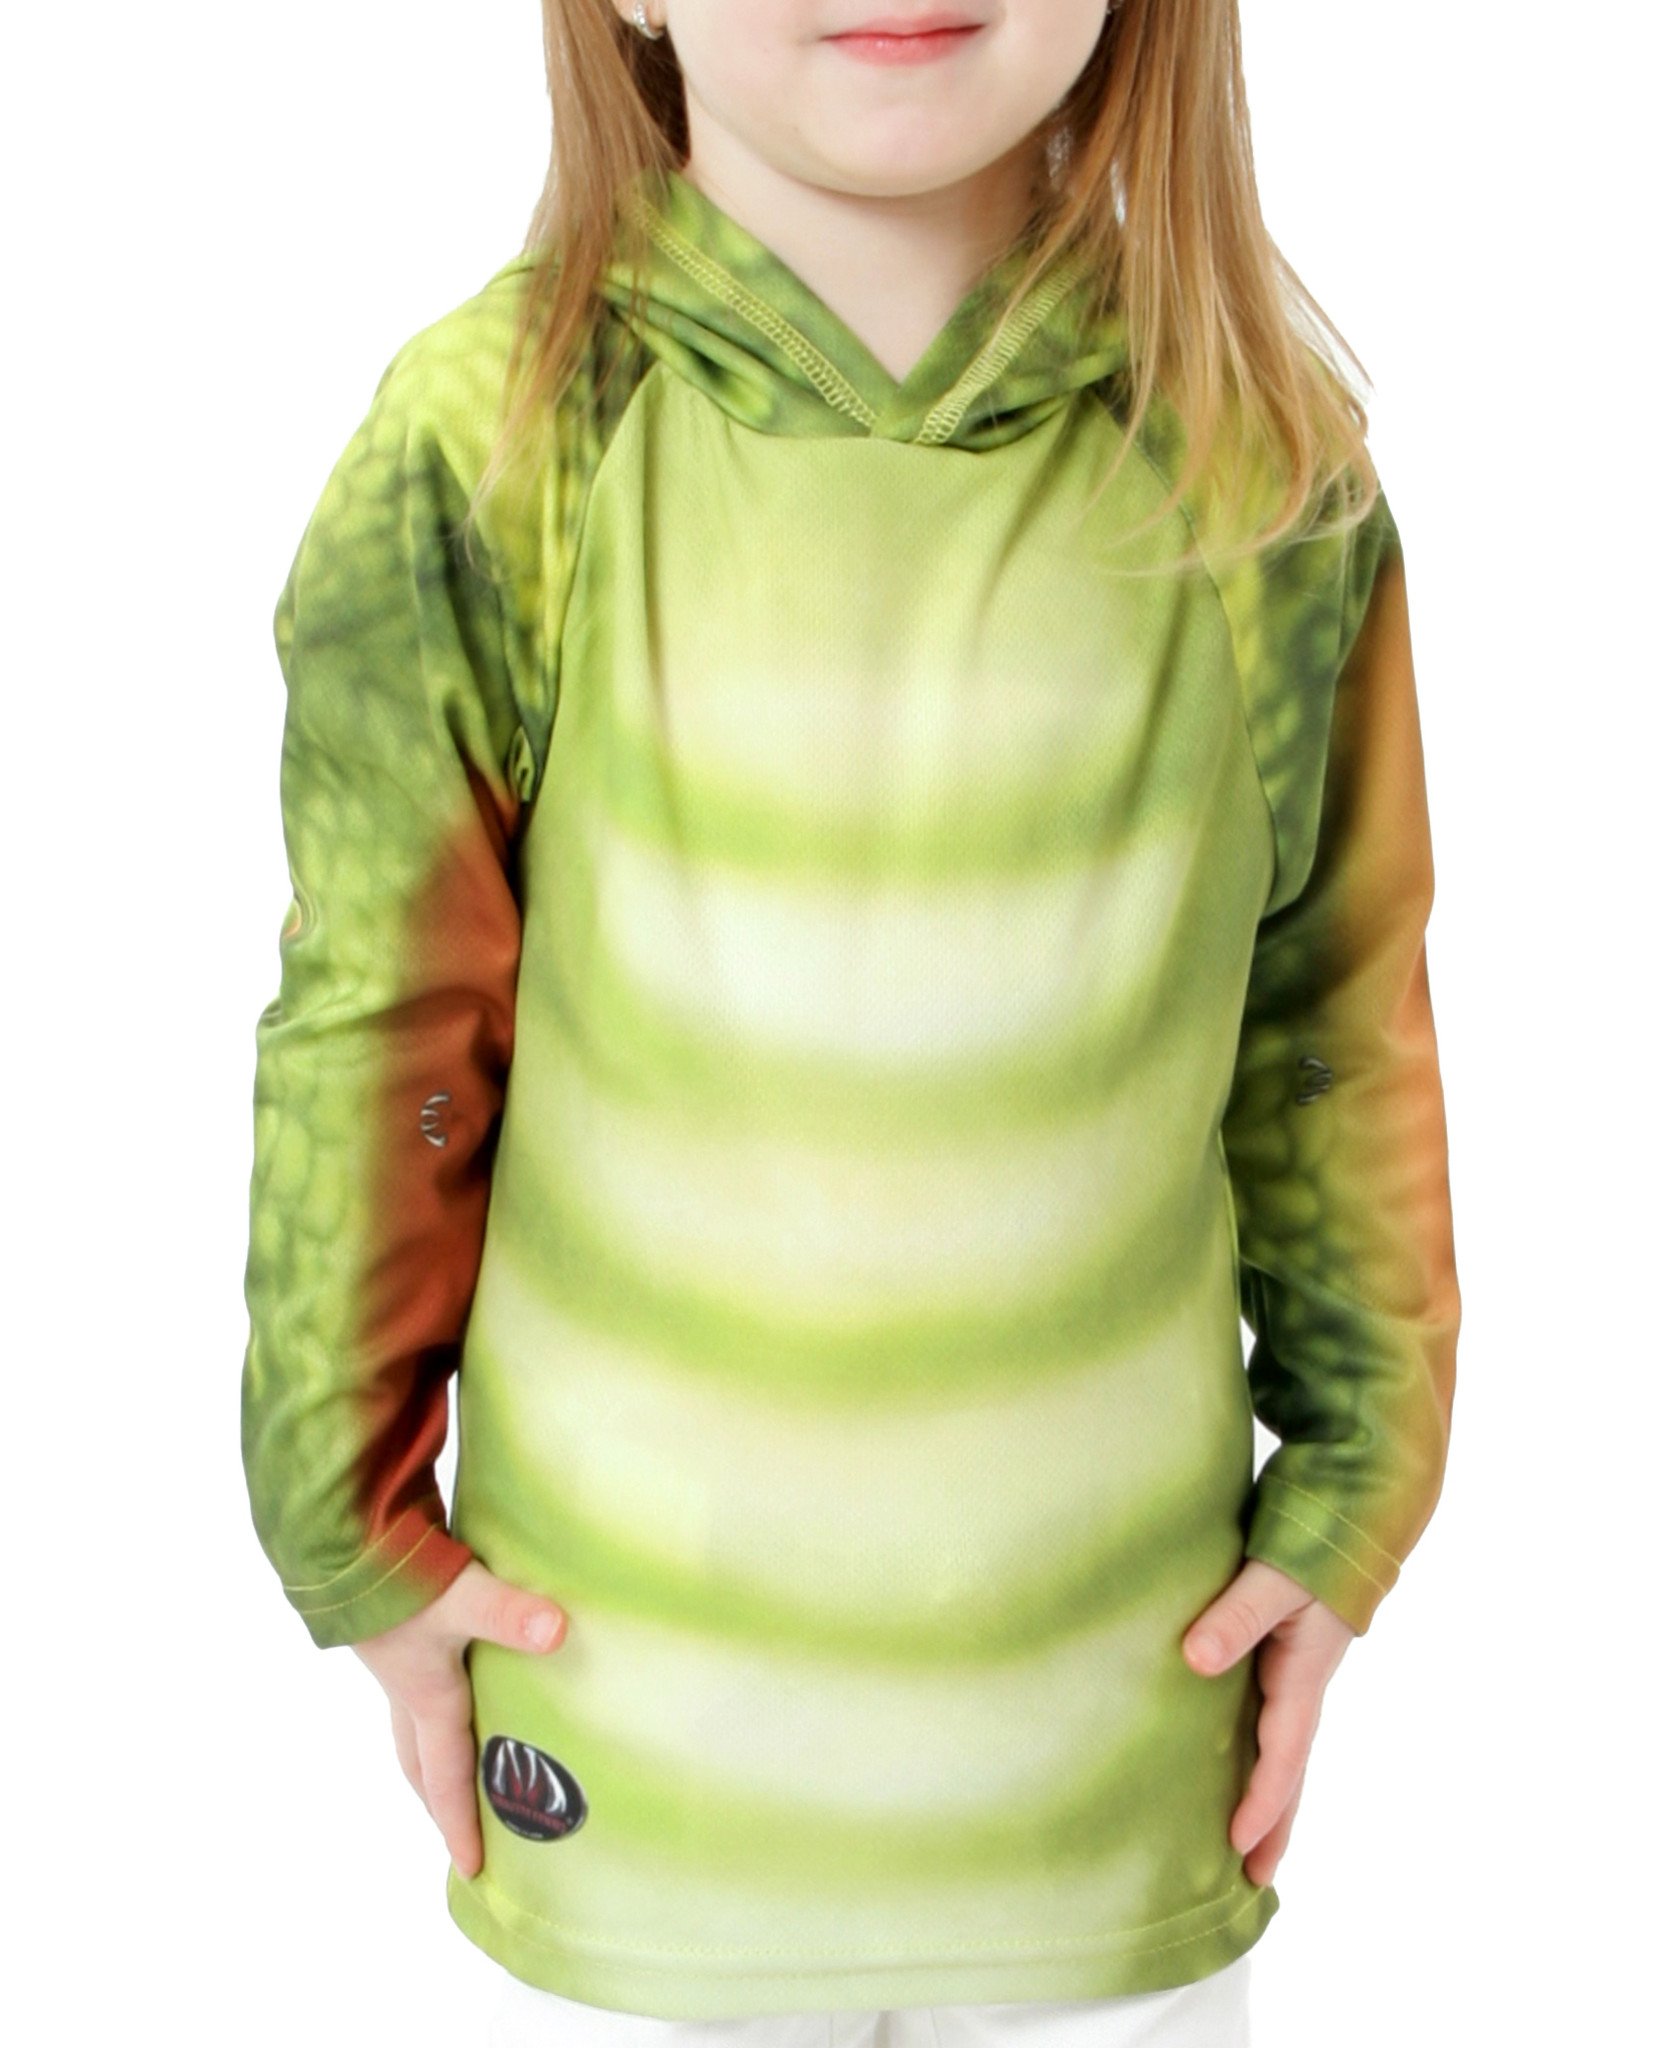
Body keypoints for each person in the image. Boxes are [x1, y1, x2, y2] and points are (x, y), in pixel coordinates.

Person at [239, 3, 1462, 2044]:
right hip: (629, 1771)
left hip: (1100, 1774)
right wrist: (343, 1519)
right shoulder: (493, 443)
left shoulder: (1255, 461)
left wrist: (1358, 1489)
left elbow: (1330, 1017)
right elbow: (381, 1026)